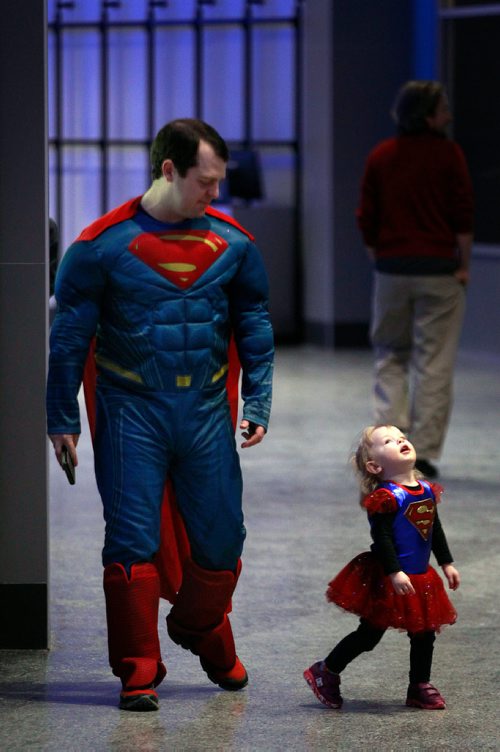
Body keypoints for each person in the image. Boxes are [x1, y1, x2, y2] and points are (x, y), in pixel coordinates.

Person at [46, 118, 274, 711]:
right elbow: (69, 337)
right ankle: (138, 668)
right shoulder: (100, 247)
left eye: (219, 182)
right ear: (168, 169)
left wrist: (259, 399)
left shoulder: (234, 244)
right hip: (130, 410)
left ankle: (198, 627)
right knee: (130, 542)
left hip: (203, 410)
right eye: (205, 181)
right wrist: (61, 416)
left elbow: (254, 321)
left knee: (223, 542)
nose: (214, 194)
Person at [357, 80, 474, 478]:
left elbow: (366, 217)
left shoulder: (381, 156)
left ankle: (385, 446)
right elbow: (463, 215)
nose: (449, 115)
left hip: (391, 269)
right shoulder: (449, 155)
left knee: (389, 354)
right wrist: (464, 264)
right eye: (443, 108)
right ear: (427, 115)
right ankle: (419, 453)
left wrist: (380, 256)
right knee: (433, 362)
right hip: (440, 271)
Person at [303, 424, 460, 711]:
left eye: (402, 437)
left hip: (420, 576)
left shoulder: (425, 489)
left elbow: (433, 529)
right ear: (374, 465)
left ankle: (419, 685)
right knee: (370, 634)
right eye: (388, 441)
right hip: (391, 576)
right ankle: (326, 670)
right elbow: (383, 537)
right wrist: (394, 571)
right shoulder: (388, 497)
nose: (400, 441)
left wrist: (446, 562)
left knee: (424, 634)